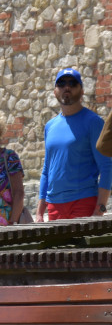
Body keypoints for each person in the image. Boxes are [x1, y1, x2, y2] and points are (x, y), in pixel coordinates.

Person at [36, 67, 111, 221]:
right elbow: (46, 170)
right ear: (55, 91)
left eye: (73, 83)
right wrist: (39, 212)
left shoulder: (94, 122)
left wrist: (100, 207)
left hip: (83, 202)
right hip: (54, 205)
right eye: (61, 84)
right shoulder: (50, 126)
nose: (67, 87)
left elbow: (107, 166)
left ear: (82, 90)